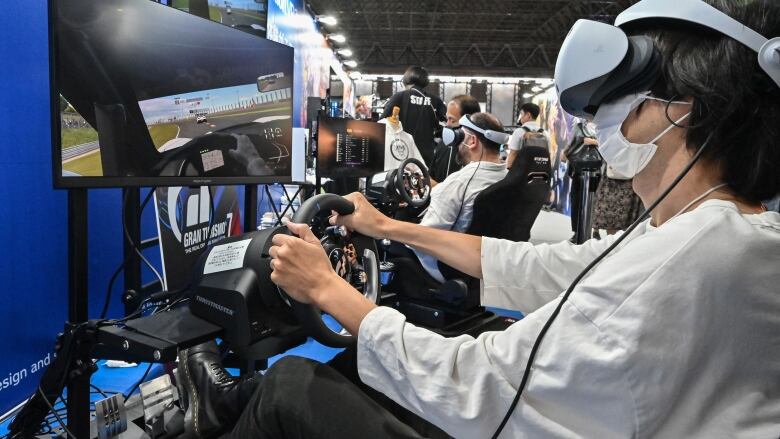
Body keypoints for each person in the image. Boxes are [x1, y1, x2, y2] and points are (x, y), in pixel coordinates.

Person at [177, 1, 780, 437]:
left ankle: (224, 413)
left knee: (292, 387)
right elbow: (533, 264)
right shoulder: (705, 237)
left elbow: (481, 385)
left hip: (512, 414)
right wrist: (388, 229)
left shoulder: (703, 254)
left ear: (687, 112)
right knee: (362, 362)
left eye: (617, 106)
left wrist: (329, 289)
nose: (599, 125)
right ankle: (226, 407)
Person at [409, 112, 508, 282]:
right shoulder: (508, 177)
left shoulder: (459, 183)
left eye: (461, 133)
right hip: (489, 265)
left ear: (472, 141)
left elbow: (424, 238)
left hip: (448, 268)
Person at [381, 66, 447, 166]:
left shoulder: (399, 96)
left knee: (402, 180)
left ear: (405, 80)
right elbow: (444, 125)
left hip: (402, 152)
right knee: (423, 180)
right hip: (427, 155)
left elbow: (381, 123)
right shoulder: (435, 100)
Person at [428, 95, 481, 186]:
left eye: (452, 120)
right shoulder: (443, 144)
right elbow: (431, 175)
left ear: (470, 123)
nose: (447, 124)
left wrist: (436, 187)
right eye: (447, 118)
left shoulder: (478, 154)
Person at [506, 102, 546, 169]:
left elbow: (513, 154)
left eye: (521, 114)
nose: (520, 117)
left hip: (522, 173)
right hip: (540, 173)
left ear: (528, 115)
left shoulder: (519, 132)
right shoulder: (545, 133)